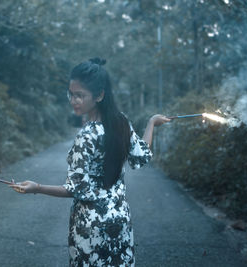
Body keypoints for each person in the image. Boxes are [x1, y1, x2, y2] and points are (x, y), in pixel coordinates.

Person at [10, 58, 170, 266]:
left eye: (80, 95)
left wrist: (37, 187)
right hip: (119, 219)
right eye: (71, 94)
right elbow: (142, 155)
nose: (74, 100)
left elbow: (75, 190)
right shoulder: (120, 121)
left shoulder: (87, 135)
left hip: (91, 226)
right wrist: (152, 123)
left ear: (100, 95)